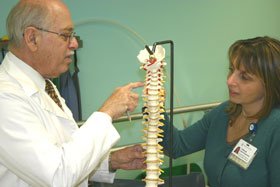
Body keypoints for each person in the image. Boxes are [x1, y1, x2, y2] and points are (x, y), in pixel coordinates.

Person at [0, 0, 145, 186]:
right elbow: (57, 176)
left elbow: (64, 154)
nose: (74, 44)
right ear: (32, 38)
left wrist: (111, 162)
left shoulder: (46, 85)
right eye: (66, 35)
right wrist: (106, 113)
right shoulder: (5, 97)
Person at [161, 36, 280, 187]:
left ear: (269, 84)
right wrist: (155, 108)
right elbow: (176, 146)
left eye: (244, 77)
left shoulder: (275, 128)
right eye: (231, 70)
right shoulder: (222, 113)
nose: (229, 81)